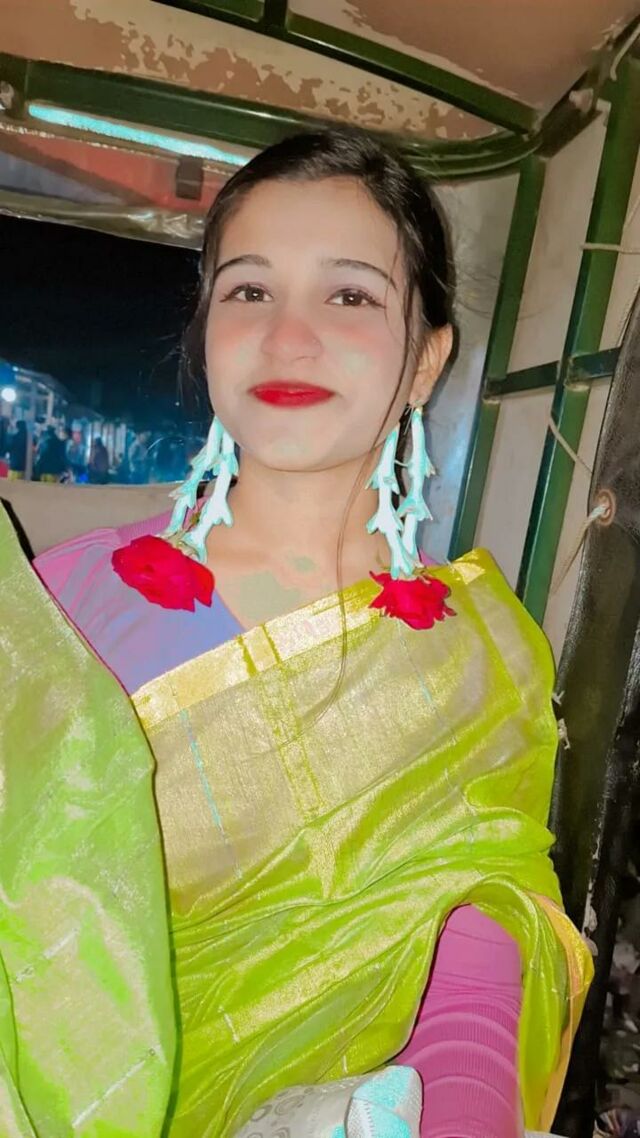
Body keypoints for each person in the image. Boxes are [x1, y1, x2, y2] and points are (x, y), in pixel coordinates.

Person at [0, 128, 592, 1138]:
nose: (287, 338)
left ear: (426, 359)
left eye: (350, 295)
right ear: (206, 329)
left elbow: (479, 940)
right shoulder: (57, 613)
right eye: (249, 290)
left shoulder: (477, 656)